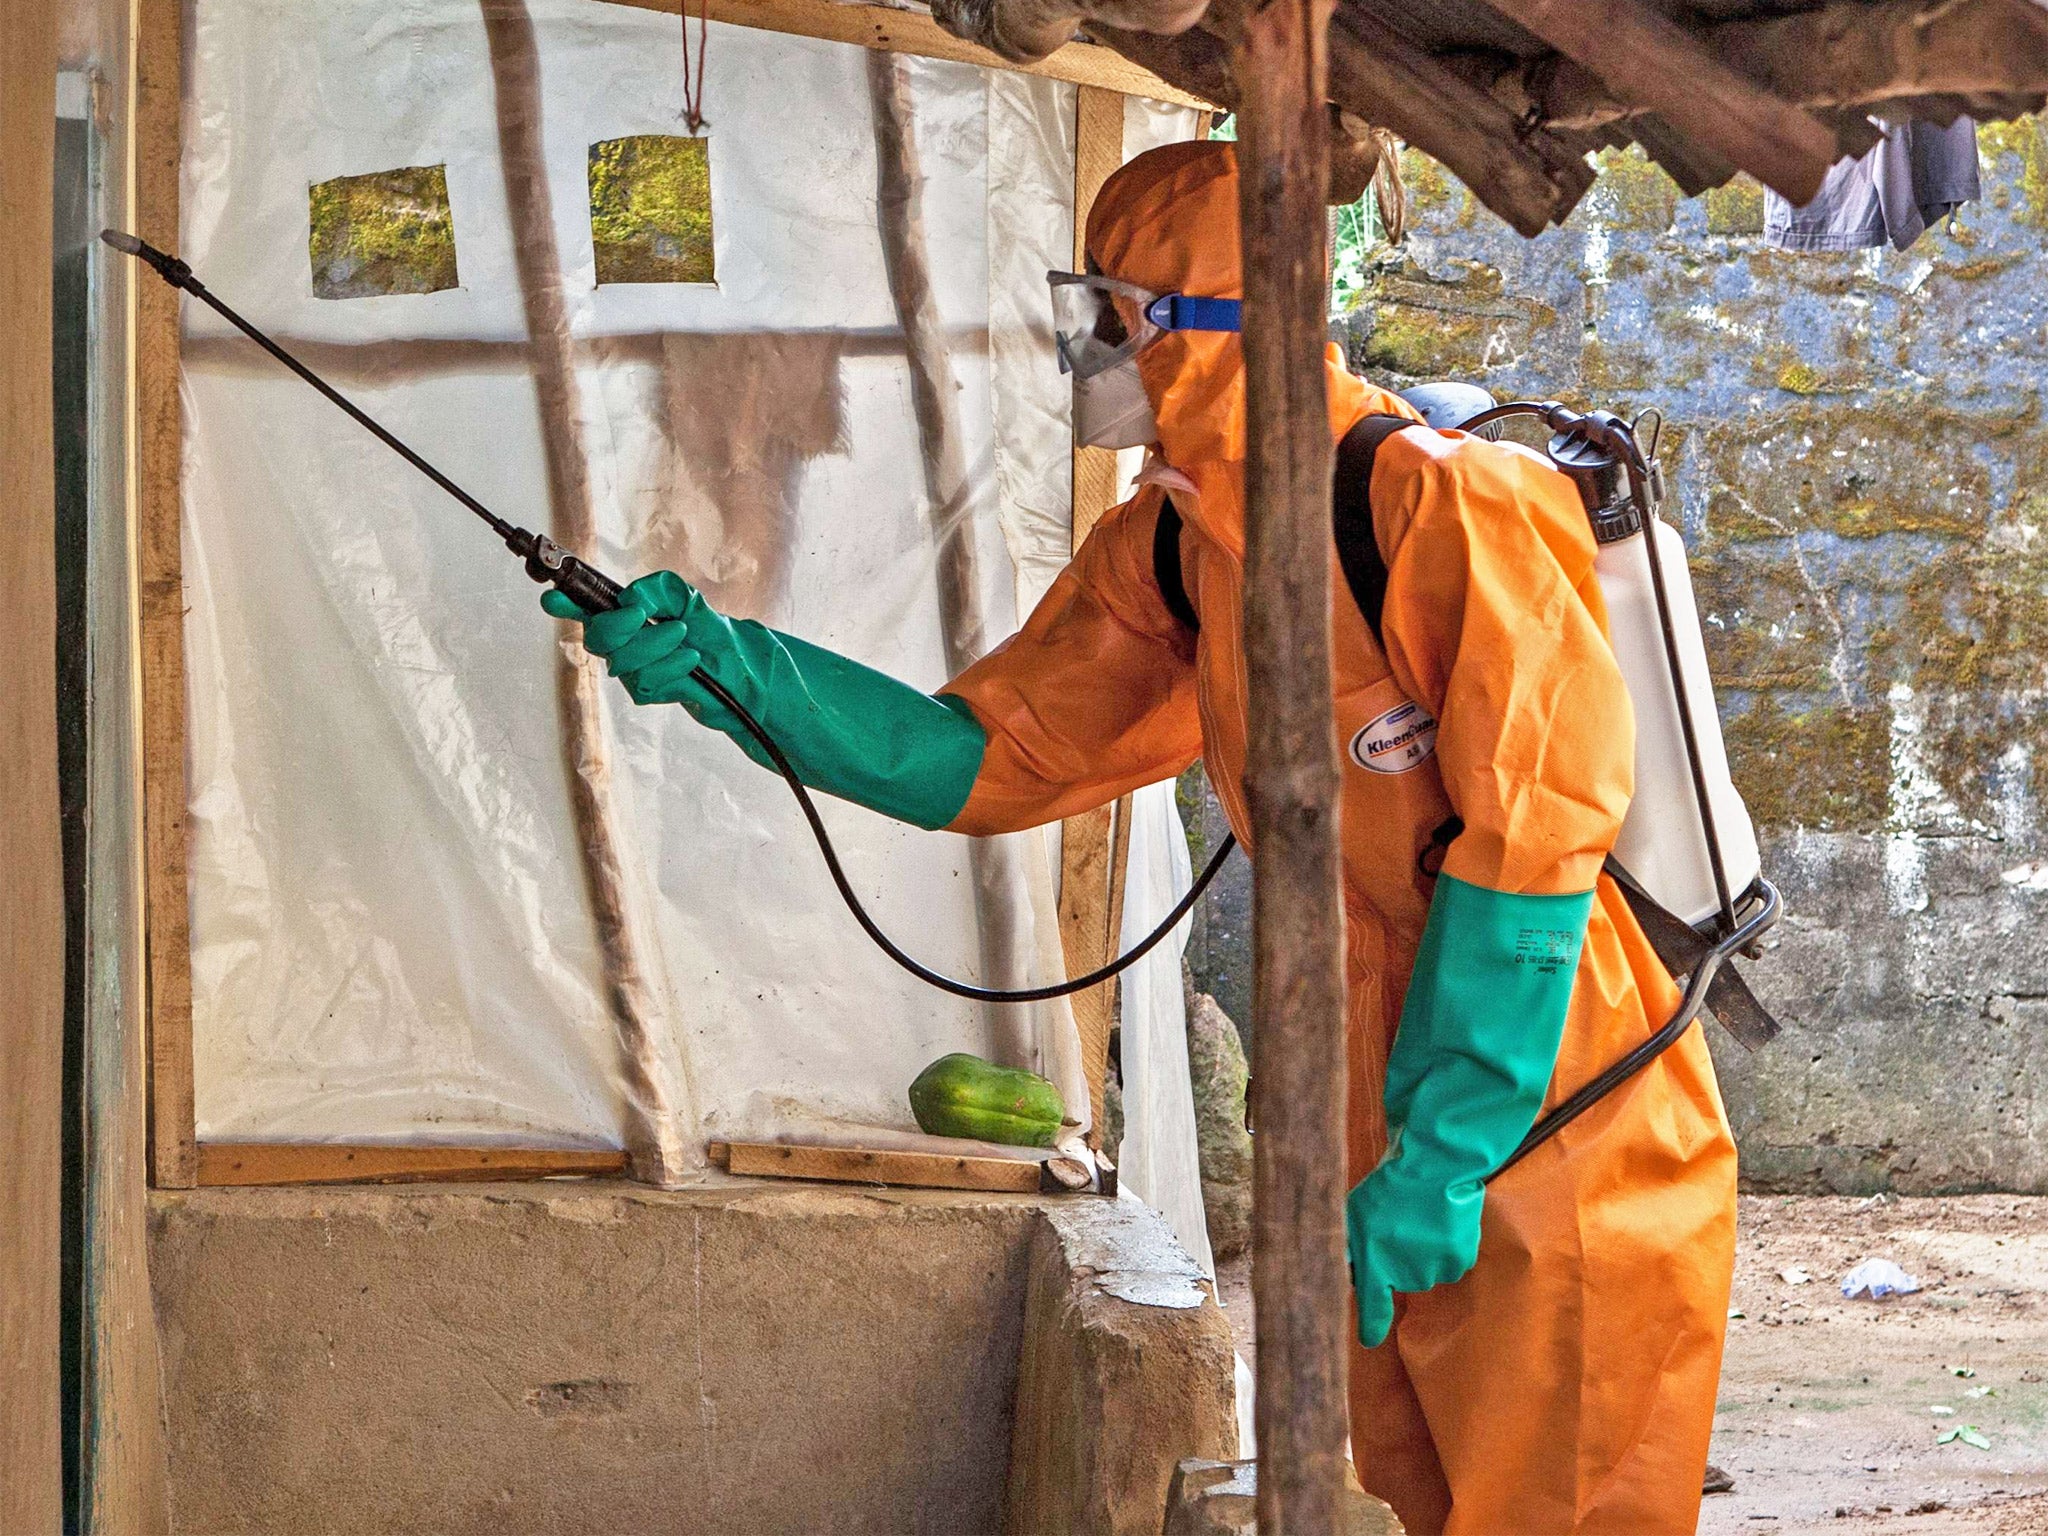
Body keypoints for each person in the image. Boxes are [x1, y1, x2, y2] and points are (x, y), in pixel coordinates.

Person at [545, 139, 1736, 1535]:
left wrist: (1449, 1141)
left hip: (1553, 1087)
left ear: (1212, 324)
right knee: (1397, 1498)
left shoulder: (1437, 505)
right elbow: (994, 752)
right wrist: (740, 673)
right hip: (1352, 1077)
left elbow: (1535, 842)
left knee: (1560, 1508)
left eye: (1117, 309)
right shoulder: (1176, 546)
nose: (1092, 345)